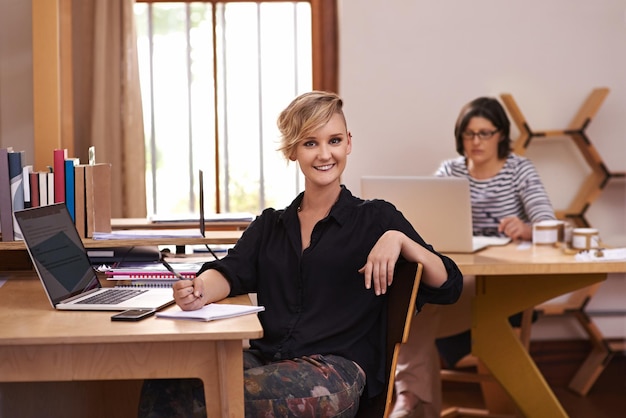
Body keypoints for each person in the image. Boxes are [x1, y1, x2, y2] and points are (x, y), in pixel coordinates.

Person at [138, 91, 463, 418]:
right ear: (293, 150)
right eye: (310, 143)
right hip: (270, 360)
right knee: (168, 384)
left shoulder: (376, 219)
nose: (325, 154)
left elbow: (450, 284)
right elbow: (229, 271)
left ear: (348, 142)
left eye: (334, 140)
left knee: (211, 397)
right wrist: (199, 289)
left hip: (334, 372)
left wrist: (401, 240)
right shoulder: (271, 225)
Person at [391, 96, 556, 418]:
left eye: (485, 133)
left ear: (501, 135)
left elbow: (549, 225)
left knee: (421, 301)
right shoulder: (450, 170)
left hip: (501, 283)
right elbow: (425, 222)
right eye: (469, 134)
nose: (476, 141)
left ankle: (411, 400)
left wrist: (526, 228)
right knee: (415, 294)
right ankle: (412, 398)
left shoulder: (519, 169)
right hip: (459, 277)